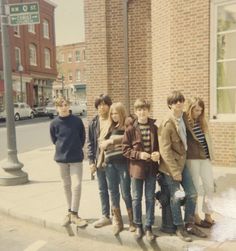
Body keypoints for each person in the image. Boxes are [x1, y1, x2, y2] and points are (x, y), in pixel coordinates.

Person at [158, 91, 207, 242]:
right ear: (170, 105)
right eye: (175, 102)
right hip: (170, 166)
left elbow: (196, 112)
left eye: (181, 101)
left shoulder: (184, 117)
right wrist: (175, 172)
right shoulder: (167, 123)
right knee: (176, 197)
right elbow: (165, 150)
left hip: (183, 162)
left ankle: (190, 224)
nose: (179, 104)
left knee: (192, 193)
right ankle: (179, 228)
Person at [122, 98, 160, 242]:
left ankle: (149, 226)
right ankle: (138, 225)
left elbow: (159, 147)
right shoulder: (131, 129)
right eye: (139, 109)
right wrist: (139, 154)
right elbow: (125, 150)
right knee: (136, 198)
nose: (142, 112)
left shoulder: (154, 128)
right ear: (136, 111)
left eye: (144, 109)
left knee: (150, 198)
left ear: (148, 110)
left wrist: (157, 154)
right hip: (137, 169)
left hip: (151, 169)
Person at [50, 97, 87, 228]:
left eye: (66, 104)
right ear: (57, 108)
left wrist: (76, 147)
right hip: (62, 159)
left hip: (76, 158)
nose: (64, 107)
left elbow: (82, 137)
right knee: (66, 185)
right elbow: (54, 139)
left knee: (76, 185)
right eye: (61, 105)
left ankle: (74, 213)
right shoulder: (54, 123)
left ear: (69, 105)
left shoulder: (77, 121)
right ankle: (69, 211)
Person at [99, 102, 135, 235]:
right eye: (112, 113)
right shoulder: (109, 127)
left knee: (126, 192)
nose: (114, 116)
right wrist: (104, 144)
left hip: (122, 163)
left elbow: (128, 138)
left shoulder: (127, 125)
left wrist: (111, 142)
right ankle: (118, 222)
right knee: (113, 192)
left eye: (116, 113)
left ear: (121, 113)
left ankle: (132, 221)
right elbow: (101, 142)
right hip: (109, 164)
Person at [186, 97, 215, 228]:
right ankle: (195, 215)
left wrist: (211, 156)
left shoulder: (202, 121)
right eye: (196, 110)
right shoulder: (185, 121)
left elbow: (207, 139)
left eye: (200, 110)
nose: (198, 113)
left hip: (205, 158)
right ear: (190, 108)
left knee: (209, 186)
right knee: (195, 188)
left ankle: (208, 214)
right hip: (192, 158)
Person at [87, 94, 112, 228]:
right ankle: (105, 215)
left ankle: (117, 215)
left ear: (109, 105)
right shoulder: (93, 122)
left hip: (113, 160)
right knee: (102, 189)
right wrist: (91, 161)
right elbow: (90, 143)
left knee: (114, 189)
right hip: (99, 160)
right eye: (99, 105)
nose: (102, 107)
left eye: (104, 104)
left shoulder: (114, 119)